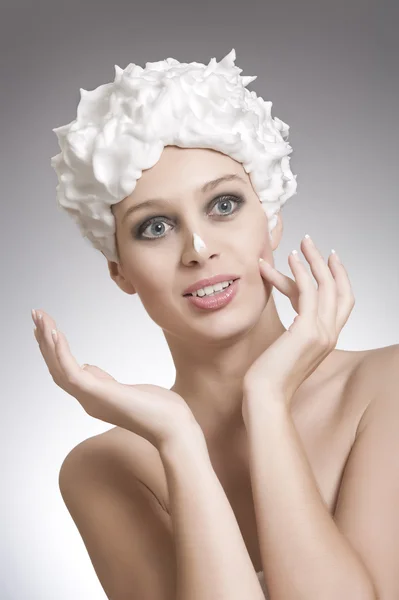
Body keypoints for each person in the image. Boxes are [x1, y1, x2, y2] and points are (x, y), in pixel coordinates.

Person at [32, 49, 398, 600]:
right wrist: (179, 441)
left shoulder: (388, 386)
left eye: (223, 205)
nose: (199, 250)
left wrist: (267, 398)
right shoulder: (103, 470)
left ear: (271, 220)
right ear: (120, 271)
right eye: (155, 226)